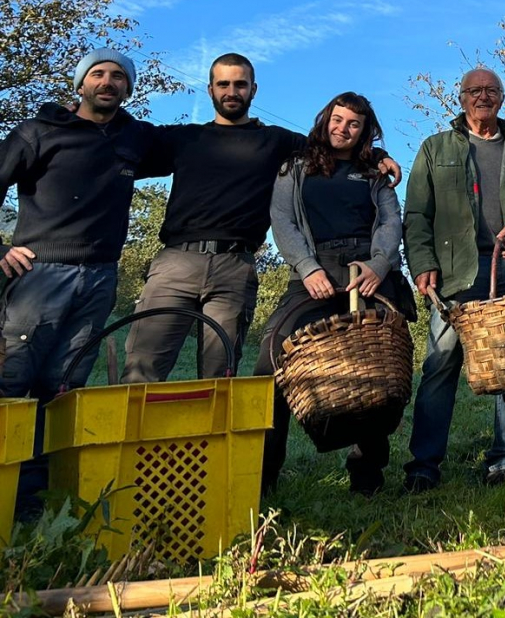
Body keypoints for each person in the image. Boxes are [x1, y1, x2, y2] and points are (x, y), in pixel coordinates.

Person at [122, 53, 402, 383]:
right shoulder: (184, 138)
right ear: (210, 89)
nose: (231, 91)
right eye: (223, 84)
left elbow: (336, 144)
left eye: (240, 84)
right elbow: (120, 147)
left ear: (253, 90)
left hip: (235, 267)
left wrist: (380, 156)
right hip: (177, 262)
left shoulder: (278, 142)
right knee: (142, 369)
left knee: (219, 374)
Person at [0, 49, 158, 518]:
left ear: (128, 88)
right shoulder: (39, 131)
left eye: (117, 76)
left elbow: (209, 143)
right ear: (81, 84)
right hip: (38, 273)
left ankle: (32, 501)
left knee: (63, 386)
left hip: (100, 277)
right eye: (98, 73)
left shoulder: (135, 140)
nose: (107, 81)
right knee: (11, 382)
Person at [402, 68, 505, 490]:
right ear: (462, 98)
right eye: (473, 91)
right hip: (454, 274)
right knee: (439, 364)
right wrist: (421, 263)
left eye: (490, 90)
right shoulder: (435, 148)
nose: (481, 97)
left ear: (502, 98)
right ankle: (424, 464)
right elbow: (416, 214)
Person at [256, 92, 417, 496]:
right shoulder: (295, 166)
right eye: (338, 119)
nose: (342, 129)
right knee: (269, 362)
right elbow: (283, 220)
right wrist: (307, 268)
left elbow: (390, 221)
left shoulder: (375, 172)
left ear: (365, 130)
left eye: (353, 124)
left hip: (366, 270)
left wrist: (378, 266)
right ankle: (264, 476)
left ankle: (367, 476)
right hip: (313, 268)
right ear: (326, 118)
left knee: (376, 370)